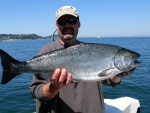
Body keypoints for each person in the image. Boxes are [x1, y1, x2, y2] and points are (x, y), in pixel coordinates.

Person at [30, 5, 129, 113]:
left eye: (72, 20)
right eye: (62, 21)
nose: (67, 24)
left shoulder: (91, 50)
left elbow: (108, 80)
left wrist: (118, 75)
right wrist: (53, 87)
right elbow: (37, 93)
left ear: (78, 24)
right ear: (57, 25)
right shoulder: (46, 51)